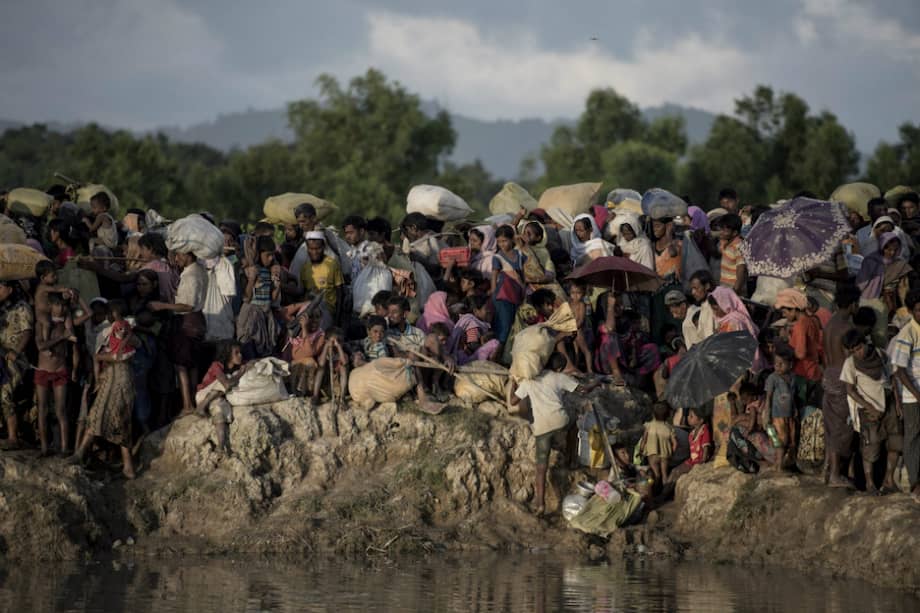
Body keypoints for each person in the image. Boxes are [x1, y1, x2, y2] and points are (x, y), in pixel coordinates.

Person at [509, 352, 600, 516]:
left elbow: (512, 402)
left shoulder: (530, 381)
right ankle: (571, 460)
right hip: (561, 421)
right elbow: (583, 390)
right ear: (559, 368)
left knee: (541, 469)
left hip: (542, 428)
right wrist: (596, 383)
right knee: (573, 425)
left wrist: (512, 384)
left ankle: (540, 505)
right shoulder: (559, 378)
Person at [70, 301, 137, 479]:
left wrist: (103, 355)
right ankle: (81, 454)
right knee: (98, 413)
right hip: (110, 377)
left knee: (119, 418)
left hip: (120, 377)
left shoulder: (125, 330)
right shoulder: (108, 332)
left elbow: (122, 355)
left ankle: (128, 467)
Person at [149, 250, 208, 416]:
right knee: (192, 364)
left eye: (179, 255)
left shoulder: (191, 275)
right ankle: (193, 402)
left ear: (188, 255)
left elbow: (187, 305)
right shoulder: (199, 270)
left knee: (182, 365)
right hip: (197, 321)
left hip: (187, 321)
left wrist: (162, 306)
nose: (176, 259)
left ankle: (187, 405)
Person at [840, 329, 894, 495]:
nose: (858, 353)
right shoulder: (850, 363)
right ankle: (870, 484)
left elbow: (892, 376)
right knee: (870, 446)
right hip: (868, 408)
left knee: (895, 441)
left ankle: (889, 480)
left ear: (865, 343)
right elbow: (850, 390)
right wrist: (869, 407)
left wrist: (897, 402)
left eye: (859, 348)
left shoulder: (880, 354)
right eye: (854, 350)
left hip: (888, 402)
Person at [33, 293, 77, 456]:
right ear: (50, 306)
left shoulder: (65, 323)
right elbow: (41, 347)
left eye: (64, 305)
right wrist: (61, 338)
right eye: (58, 305)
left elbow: (72, 335)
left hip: (60, 371)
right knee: (42, 410)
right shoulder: (42, 323)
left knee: (61, 411)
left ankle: (65, 448)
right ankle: (44, 448)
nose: (61, 308)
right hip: (43, 371)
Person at [889, 288, 920, 497]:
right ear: (910, 311)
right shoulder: (907, 333)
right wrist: (917, 395)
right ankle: (916, 484)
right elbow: (898, 371)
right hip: (913, 397)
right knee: (913, 438)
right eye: (919, 310)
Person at [196, 340, 248, 455]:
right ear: (227, 354)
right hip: (204, 395)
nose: (240, 355)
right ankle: (202, 406)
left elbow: (251, 362)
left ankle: (221, 447)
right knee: (229, 379)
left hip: (216, 398)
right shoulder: (217, 365)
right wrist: (240, 373)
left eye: (241, 352)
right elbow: (227, 384)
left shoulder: (236, 366)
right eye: (236, 353)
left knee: (220, 412)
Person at [774, 288, 823, 384]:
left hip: (803, 373)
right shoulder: (812, 320)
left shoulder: (800, 325)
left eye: (785, 312)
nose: (784, 316)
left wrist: (784, 344)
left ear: (793, 309)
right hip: (813, 370)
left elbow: (800, 354)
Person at [764, 347, 800, 469]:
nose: (778, 366)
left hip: (789, 415)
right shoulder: (772, 378)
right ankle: (779, 466)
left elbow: (793, 396)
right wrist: (767, 414)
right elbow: (768, 397)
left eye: (781, 363)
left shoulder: (793, 377)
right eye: (776, 364)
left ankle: (780, 464)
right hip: (777, 416)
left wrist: (795, 409)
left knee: (790, 440)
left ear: (790, 365)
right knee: (780, 441)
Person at [491, 225, 526, 346]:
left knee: (515, 324)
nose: (502, 244)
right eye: (499, 242)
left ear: (512, 239)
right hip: (503, 295)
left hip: (517, 293)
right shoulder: (497, 257)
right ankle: (497, 352)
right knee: (504, 326)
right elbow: (494, 276)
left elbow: (524, 272)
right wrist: (494, 293)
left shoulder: (520, 254)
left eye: (504, 241)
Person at [300, 231, 344, 321]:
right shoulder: (305, 267)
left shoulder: (332, 264)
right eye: (311, 249)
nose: (314, 252)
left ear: (323, 247)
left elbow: (340, 292)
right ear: (307, 248)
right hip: (310, 312)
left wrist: (338, 317)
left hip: (327, 311)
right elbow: (303, 292)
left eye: (318, 248)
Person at [667, 406, 712, 483]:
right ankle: (665, 492)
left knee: (677, 473)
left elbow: (706, 448)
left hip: (698, 462)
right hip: (692, 461)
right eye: (688, 415)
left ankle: (665, 492)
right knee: (674, 471)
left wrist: (702, 463)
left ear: (700, 420)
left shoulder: (704, 431)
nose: (688, 417)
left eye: (691, 416)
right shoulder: (692, 433)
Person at [641, 402, 678, 484]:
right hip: (665, 455)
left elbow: (644, 439)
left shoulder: (649, 426)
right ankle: (665, 490)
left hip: (652, 454)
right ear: (667, 415)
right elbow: (675, 444)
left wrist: (641, 450)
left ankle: (656, 490)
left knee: (656, 474)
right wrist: (671, 454)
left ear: (653, 414)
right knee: (665, 475)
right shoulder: (669, 427)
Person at [567, 279, 594, 374]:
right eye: (573, 292)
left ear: (583, 293)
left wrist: (573, 328)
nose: (575, 295)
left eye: (578, 293)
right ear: (569, 293)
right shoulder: (569, 304)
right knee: (576, 350)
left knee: (585, 350)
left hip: (578, 330)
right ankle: (576, 367)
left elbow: (581, 320)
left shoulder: (581, 304)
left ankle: (590, 370)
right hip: (571, 329)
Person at [717, 213, 747, 297]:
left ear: (734, 233)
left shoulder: (738, 246)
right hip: (725, 286)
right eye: (721, 229)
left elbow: (741, 269)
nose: (721, 232)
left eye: (725, 230)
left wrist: (736, 290)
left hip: (734, 289)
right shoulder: (726, 241)